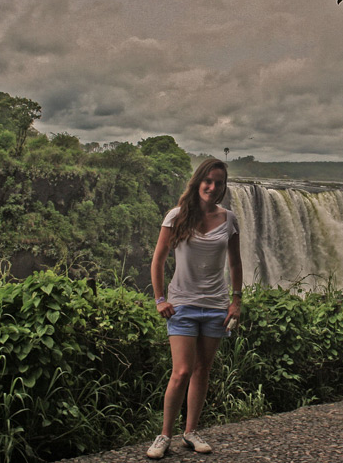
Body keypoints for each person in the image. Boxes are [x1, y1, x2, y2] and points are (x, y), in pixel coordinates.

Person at [146, 158, 243, 459]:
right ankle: (164, 435)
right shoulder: (176, 216)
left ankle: (190, 432)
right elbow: (158, 259)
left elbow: (235, 262)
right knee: (182, 371)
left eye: (219, 183)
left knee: (203, 370)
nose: (213, 188)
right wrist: (160, 299)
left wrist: (236, 300)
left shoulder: (229, 219)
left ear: (224, 187)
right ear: (198, 181)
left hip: (216, 306)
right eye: (208, 181)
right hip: (182, 305)